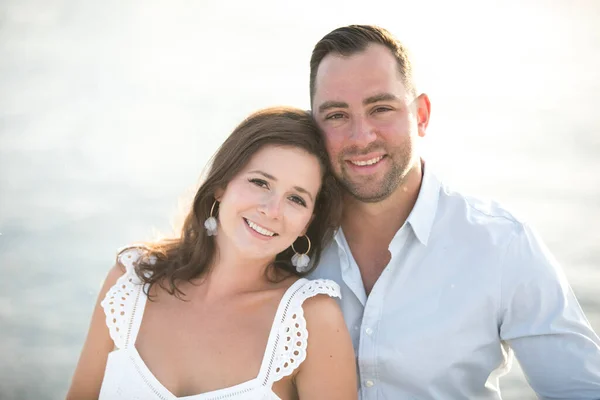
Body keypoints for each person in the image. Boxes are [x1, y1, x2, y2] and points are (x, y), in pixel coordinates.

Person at [307, 24, 600, 399]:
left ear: (422, 115)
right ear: (313, 126)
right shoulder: (283, 241)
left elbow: (580, 390)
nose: (362, 136)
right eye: (336, 115)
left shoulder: (500, 245)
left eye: (381, 108)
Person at [67, 107, 358, 400]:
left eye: (296, 198)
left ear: (308, 221)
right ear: (221, 185)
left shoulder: (311, 321)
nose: (271, 210)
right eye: (260, 182)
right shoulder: (130, 282)